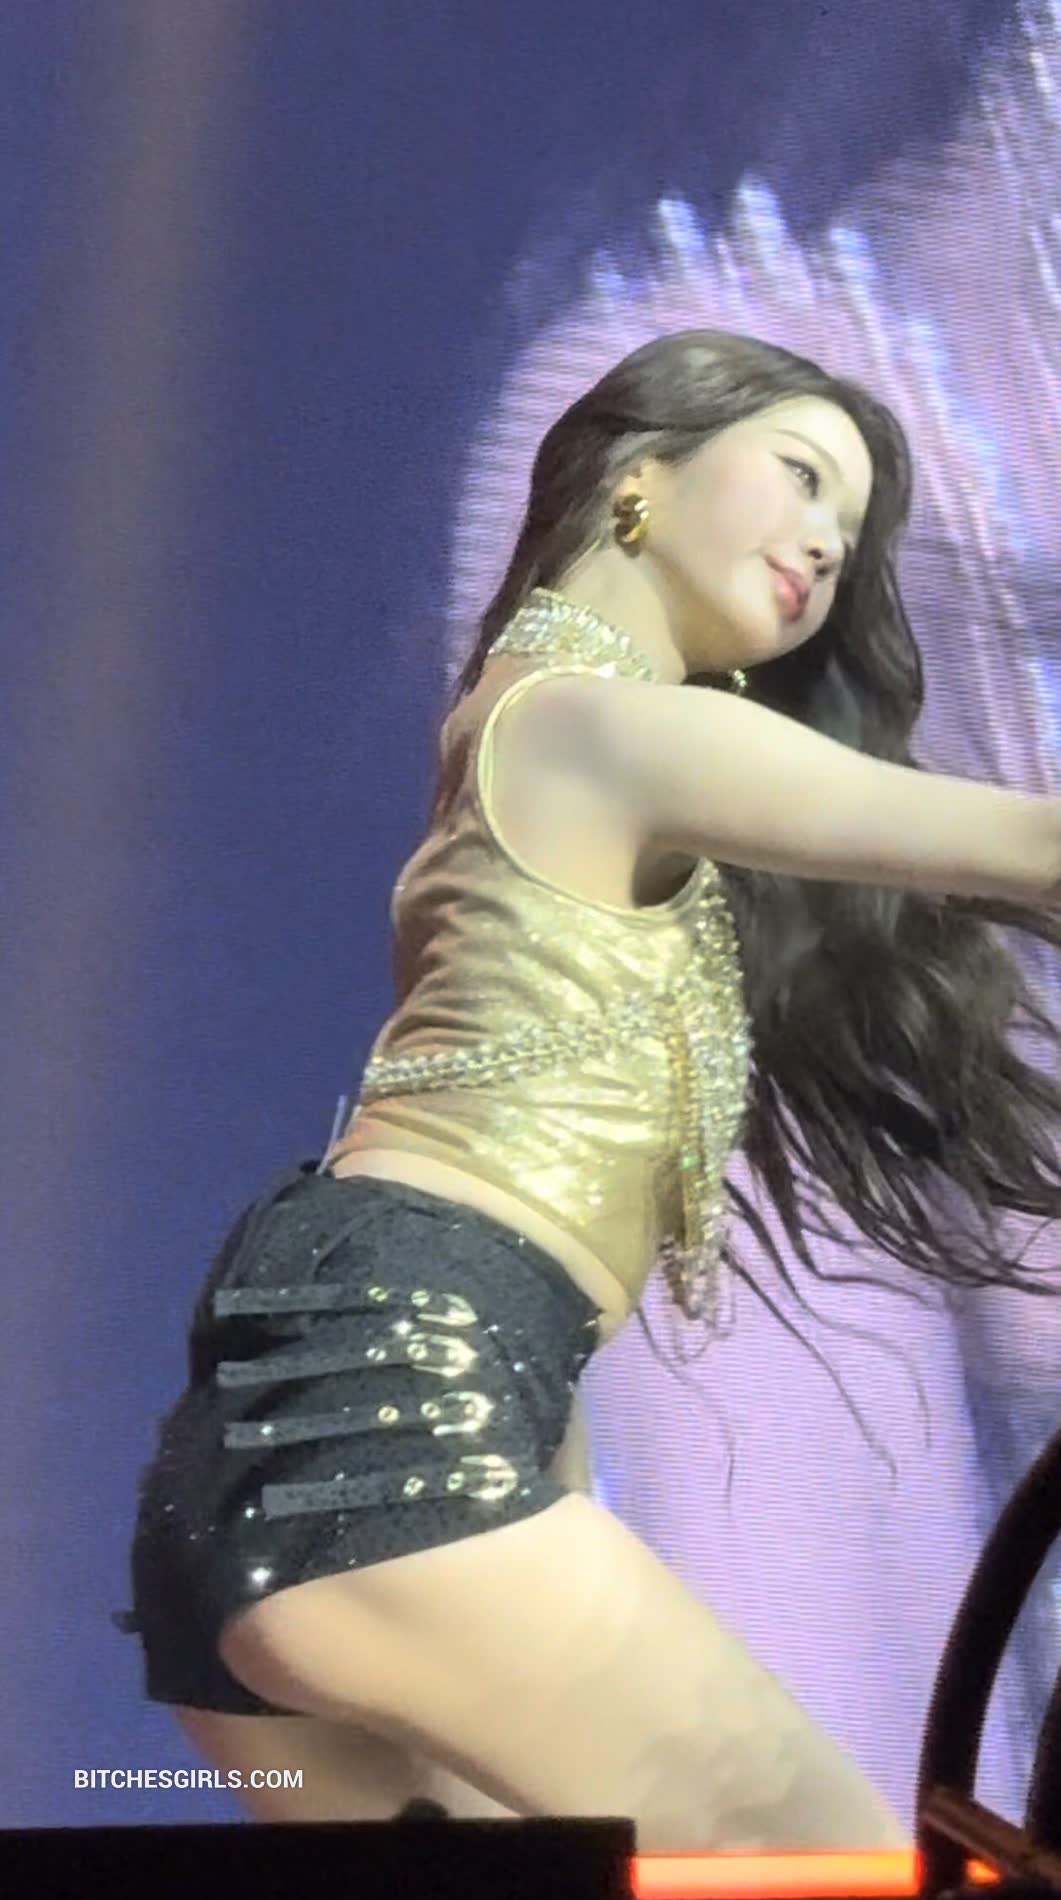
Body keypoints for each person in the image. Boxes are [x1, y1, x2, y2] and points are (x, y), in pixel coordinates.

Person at [113, 328, 1061, 1850]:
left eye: (850, 521)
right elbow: (1041, 850)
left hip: (296, 1446)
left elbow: (473, 1259)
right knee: (834, 1874)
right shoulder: (591, 723)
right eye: (801, 475)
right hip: (391, 1419)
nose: (828, 540)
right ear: (639, 481)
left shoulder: (526, 739)